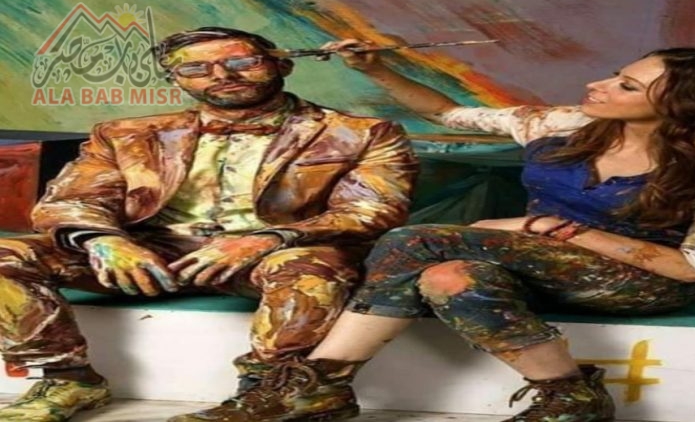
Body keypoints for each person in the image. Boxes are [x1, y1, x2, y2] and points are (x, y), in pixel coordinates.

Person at [168, 40, 695, 422]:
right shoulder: (563, 124)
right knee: (448, 277)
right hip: (535, 266)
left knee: (417, 240)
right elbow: (445, 113)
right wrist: (375, 69)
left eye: (627, 86)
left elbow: (692, 266)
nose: (600, 84)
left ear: (687, 107)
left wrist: (550, 228)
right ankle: (570, 397)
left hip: (645, 280)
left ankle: (319, 383)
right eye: (617, 74)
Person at [0, 28, 418, 422]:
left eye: (242, 62)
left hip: (275, 255)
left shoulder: (363, 133)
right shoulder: (125, 134)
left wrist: (267, 239)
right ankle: (66, 380)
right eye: (196, 68)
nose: (221, 75)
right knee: (6, 255)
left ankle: (275, 393)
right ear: (175, 79)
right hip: (151, 255)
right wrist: (105, 240)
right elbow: (72, 200)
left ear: (282, 65)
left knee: (308, 269)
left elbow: (372, 209)